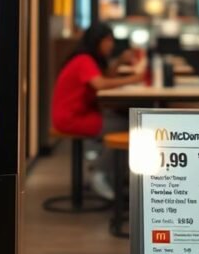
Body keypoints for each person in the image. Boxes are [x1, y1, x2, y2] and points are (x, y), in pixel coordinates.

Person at [51, 23, 145, 199]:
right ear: (97, 41)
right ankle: (101, 173)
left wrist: (119, 62)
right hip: (72, 118)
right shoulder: (84, 60)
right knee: (130, 127)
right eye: (108, 40)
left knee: (127, 122)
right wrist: (134, 78)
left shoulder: (85, 59)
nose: (111, 44)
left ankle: (111, 173)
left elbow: (103, 77)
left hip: (79, 114)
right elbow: (100, 83)